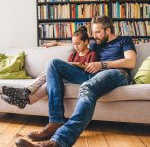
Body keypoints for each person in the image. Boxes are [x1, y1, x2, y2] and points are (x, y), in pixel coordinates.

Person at [15, 15, 137, 147]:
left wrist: (102, 64)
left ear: (108, 31)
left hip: (116, 73)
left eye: (97, 32)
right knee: (53, 63)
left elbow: (131, 62)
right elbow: (77, 43)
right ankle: (56, 121)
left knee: (87, 87)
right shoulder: (96, 44)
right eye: (93, 32)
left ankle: (58, 141)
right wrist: (56, 43)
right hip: (91, 74)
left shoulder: (124, 40)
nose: (94, 36)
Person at [1, 26, 97, 109]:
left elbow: (89, 68)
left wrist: (73, 64)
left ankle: (26, 90)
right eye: (74, 44)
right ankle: (26, 99)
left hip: (82, 76)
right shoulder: (73, 54)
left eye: (78, 43)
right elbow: (68, 67)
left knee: (52, 66)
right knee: (50, 79)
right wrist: (55, 43)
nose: (75, 46)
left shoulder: (91, 53)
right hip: (68, 78)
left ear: (86, 41)